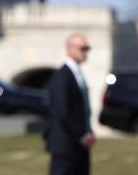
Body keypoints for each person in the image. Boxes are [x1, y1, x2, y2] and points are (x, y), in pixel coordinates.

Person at [45, 33, 96, 175]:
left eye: (87, 48)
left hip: (79, 146)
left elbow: (81, 109)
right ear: (70, 49)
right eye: (83, 48)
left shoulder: (77, 74)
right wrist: (82, 135)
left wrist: (88, 132)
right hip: (65, 146)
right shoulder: (62, 76)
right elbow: (62, 111)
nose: (86, 52)